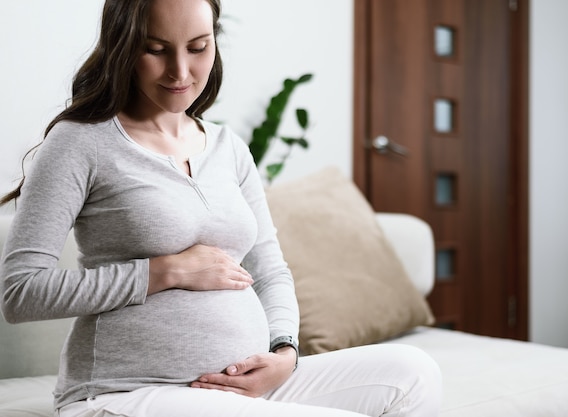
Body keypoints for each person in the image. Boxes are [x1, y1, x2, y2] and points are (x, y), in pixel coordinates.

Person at [0, 0, 442, 416]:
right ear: (123, 46)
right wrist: (164, 272)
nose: (180, 71)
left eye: (198, 48)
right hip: (128, 392)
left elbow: (270, 270)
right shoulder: (81, 142)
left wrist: (285, 352)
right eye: (155, 50)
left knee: (413, 372)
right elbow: (20, 293)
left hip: (243, 387)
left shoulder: (229, 148)